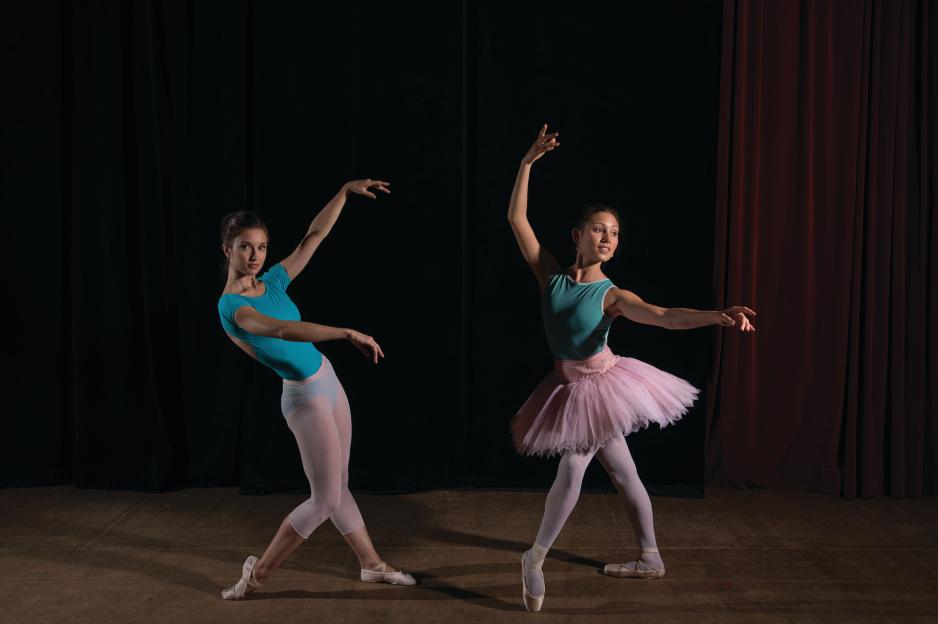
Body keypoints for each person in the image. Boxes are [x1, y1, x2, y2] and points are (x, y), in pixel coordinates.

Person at [507, 125, 756, 612]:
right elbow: (516, 218)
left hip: (601, 383)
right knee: (625, 475)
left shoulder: (612, 296)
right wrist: (526, 164)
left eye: (615, 233)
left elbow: (663, 317)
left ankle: (534, 557)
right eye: (599, 229)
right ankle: (651, 556)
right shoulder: (550, 275)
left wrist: (717, 316)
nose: (608, 238)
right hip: (566, 385)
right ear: (578, 235)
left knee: (575, 466)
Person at [216, 179, 416, 600]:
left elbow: (315, 236)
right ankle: (257, 574)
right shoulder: (231, 307)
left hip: (327, 381)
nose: (255, 256)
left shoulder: (271, 282)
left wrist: (343, 192)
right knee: (323, 500)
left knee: (337, 485)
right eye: (245, 247)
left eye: (262, 247)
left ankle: (371, 565)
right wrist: (344, 331)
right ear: (227, 250)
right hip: (303, 398)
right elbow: (284, 330)